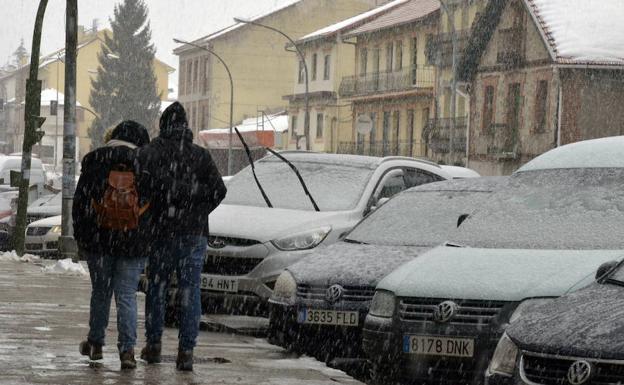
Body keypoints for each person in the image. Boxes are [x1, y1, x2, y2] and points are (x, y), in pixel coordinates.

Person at [137, 102, 226, 371]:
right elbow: (219, 190)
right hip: (194, 234)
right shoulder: (201, 156)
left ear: (163, 125)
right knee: (190, 291)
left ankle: (153, 345)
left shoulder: (151, 153)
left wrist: (158, 210)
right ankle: (186, 351)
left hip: (161, 232)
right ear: (186, 125)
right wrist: (198, 211)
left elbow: (142, 188)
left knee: (157, 288)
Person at [73, 120, 151, 370]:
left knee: (101, 292)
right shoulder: (144, 162)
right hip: (133, 241)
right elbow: (152, 208)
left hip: (99, 240)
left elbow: (80, 203)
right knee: (127, 295)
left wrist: (83, 238)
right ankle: (127, 351)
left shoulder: (94, 159)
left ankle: (95, 343)